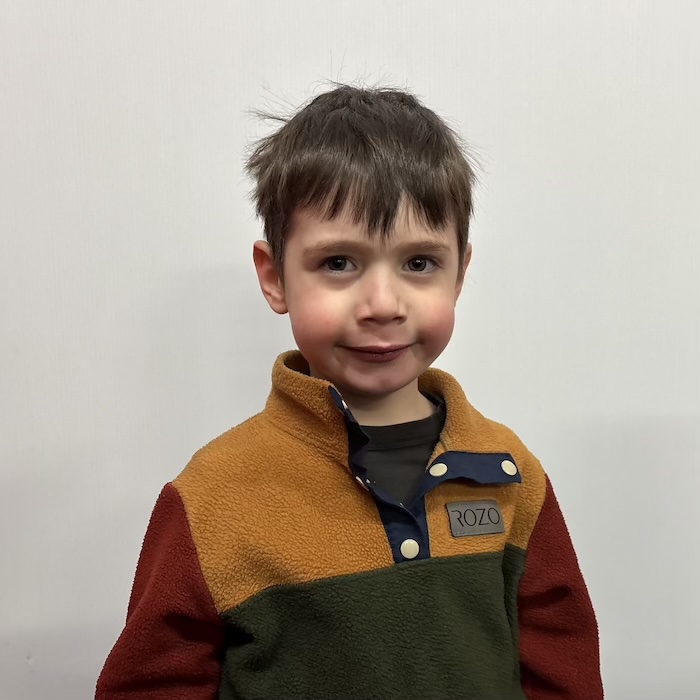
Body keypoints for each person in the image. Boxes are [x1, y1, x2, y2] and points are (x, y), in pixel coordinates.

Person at [96, 84, 603, 699]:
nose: (383, 305)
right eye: (339, 262)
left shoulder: (510, 471)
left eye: (419, 263)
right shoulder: (211, 496)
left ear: (460, 274)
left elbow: (562, 662)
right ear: (274, 277)